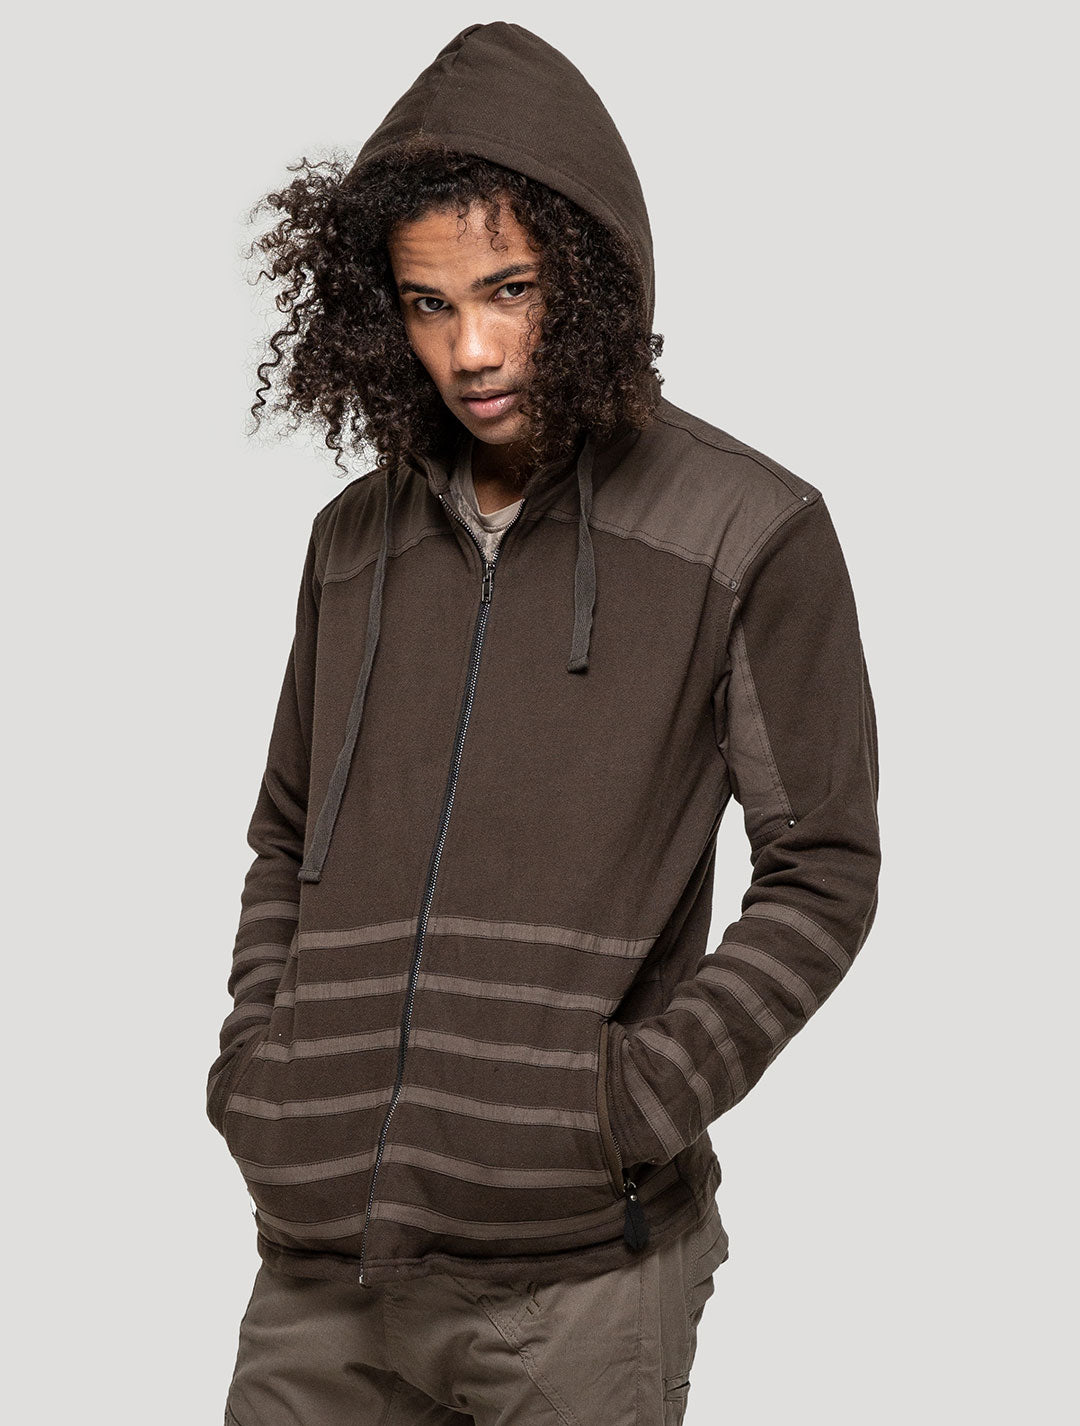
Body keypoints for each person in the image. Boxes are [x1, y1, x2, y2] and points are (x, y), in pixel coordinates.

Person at [207, 21, 881, 1426]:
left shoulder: (745, 530)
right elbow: (286, 831)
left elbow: (823, 869)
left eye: (507, 290)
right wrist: (264, 1070)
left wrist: (632, 1102)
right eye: (427, 304)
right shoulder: (352, 541)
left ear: (586, 275)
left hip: (574, 1283)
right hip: (320, 1274)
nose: (471, 348)